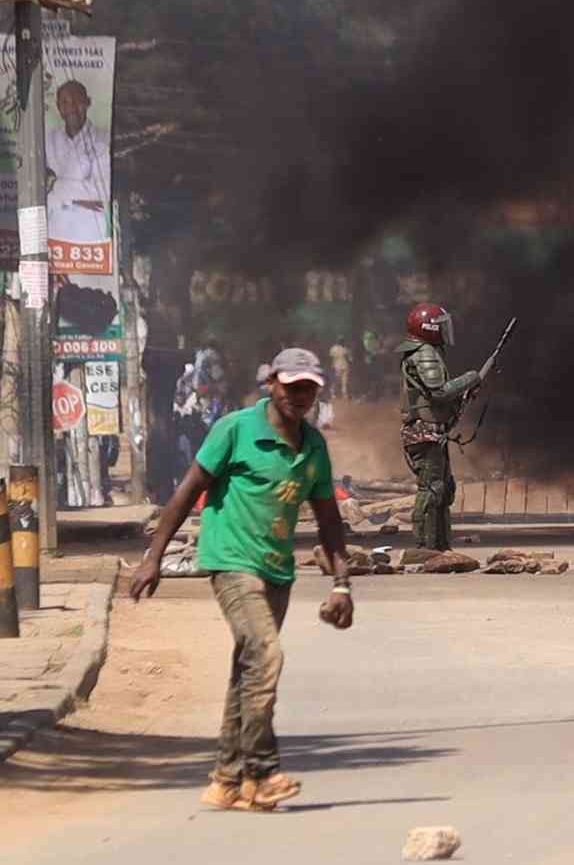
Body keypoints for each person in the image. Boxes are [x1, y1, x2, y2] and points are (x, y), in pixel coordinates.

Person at [130, 348, 355, 813]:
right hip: (230, 562)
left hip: (276, 570)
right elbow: (186, 492)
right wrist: (153, 558)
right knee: (266, 655)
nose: (300, 396)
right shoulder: (235, 430)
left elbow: (328, 518)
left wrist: (342, 583)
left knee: (247, 671)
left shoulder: (312, 446)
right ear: (271, 383)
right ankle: (264, 769)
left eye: (309, 388)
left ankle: (227, 781)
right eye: (292, 386)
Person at [398, 303, 498, 551]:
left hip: (430, 431)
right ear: (429, 328)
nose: (445, 331)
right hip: (425, 431)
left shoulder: (422, 351)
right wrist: (471, 378)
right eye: (441, 326)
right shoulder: (425, 353)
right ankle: (425, 547)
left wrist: (464, 394)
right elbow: (439, 392)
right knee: (433, 489)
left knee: (443, 489)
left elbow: (434, 396)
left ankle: (440, 545)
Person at [45, 80, 112, 243]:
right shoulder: (49, 139)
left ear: (88, 103)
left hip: (90, 235)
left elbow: (102, 191)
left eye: (78, 101)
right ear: (58, 107)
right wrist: (79, 194)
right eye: (65, 102)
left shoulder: (103, 140)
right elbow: (39, 188)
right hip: (55, 232)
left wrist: (55, 186)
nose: (72, 108)